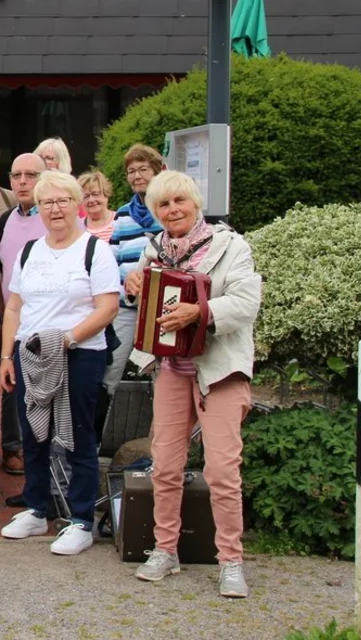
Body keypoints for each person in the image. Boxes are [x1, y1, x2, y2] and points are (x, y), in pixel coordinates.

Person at [125, 171, 262, 598]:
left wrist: (198, 312)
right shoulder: (154, 249)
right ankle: (165, 550)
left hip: (218, 370)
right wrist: (132, 286)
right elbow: (142, 299)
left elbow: (245, 303)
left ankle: (231, 561)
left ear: (195, 201)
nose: (173, 210)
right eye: (163, 205)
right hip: (170, 369)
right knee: (164, 465)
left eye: (179, 201)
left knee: (222, 470)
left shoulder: (230, 246)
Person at [0, 171, 119, 556]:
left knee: (78, 436)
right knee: (34, 434)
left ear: (77, 205)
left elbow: (108, 307)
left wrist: (67, 339)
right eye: (47, 202)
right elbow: (14, 307)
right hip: (31, 354)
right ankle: (37, 509)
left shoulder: (93, 250)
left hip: (79, 354)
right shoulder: (30, 251)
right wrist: (6, 356)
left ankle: (81, 520)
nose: (55, 209)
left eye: (62, 201)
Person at [0, 152, 49, 479]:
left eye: (31, 174)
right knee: (11, 382)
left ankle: (42, 453)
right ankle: (12, 447)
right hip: (14, 317)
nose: (23, 181)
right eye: (17, 175)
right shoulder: (5, 219)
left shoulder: (57, 216)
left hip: (49, 321)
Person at [107, 144, 166, 399]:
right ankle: (101, 432)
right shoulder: (122, 214)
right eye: (131, 171)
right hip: (125, 307)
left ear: (157, 171)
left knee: (161, 372)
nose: (136, 176)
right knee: (111, 368)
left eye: (143, 169)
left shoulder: (167, 210)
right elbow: (112, 258)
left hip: (159, 308)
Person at [79, 170, 116, 243]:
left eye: (95, 194)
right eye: (86, 196)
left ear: (106, 194)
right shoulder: (78, 227)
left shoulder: (120, 220)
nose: (91, 200)